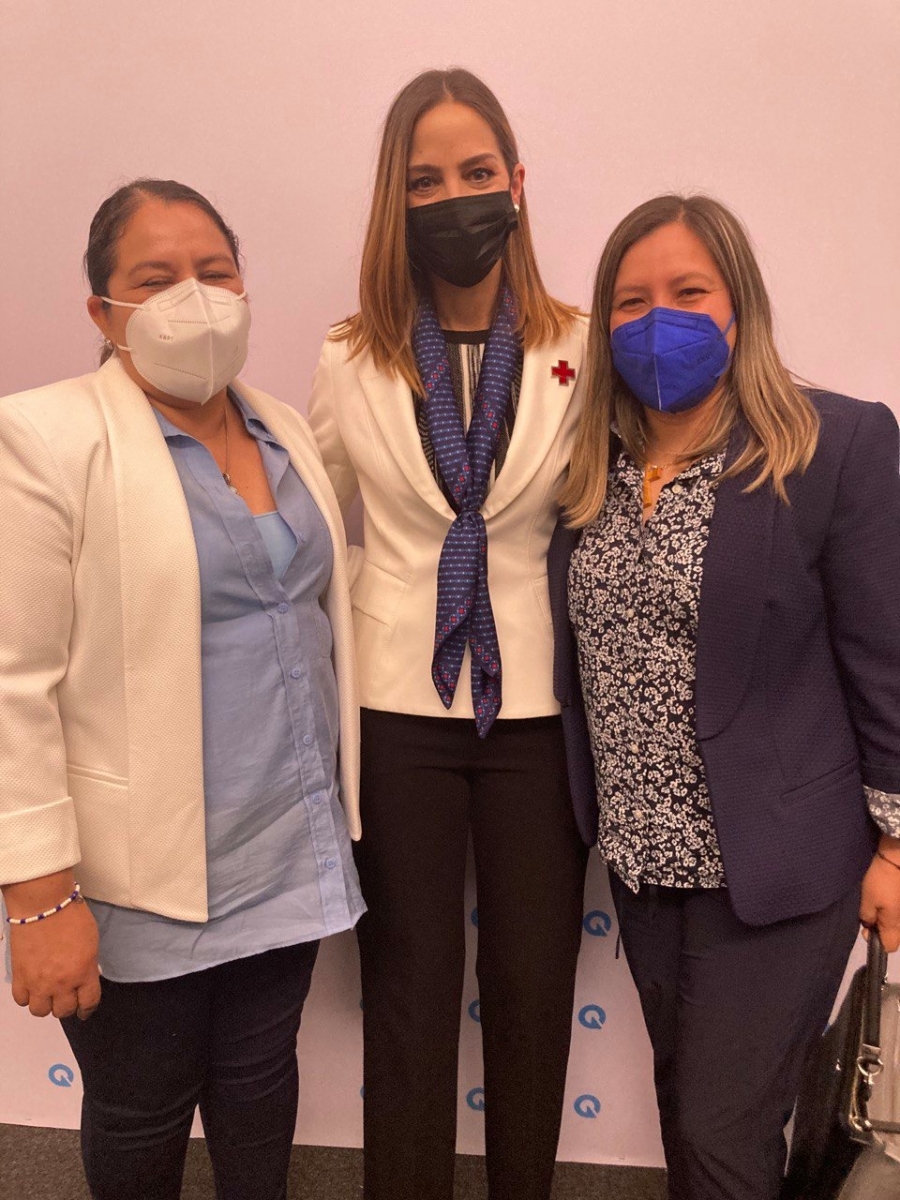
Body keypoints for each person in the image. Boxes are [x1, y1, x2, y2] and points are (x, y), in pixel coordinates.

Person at [0, 179, 365, 1200]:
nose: (193, 298)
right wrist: (37, 897)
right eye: (156, 279)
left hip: (284, 847)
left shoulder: (283, 428)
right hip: (136, 875)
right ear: (103, 312)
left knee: (260, 1083)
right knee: (141, 1108)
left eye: (214, 271)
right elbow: (12, 679)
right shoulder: (44, 439)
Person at [548, 193, 900, 1200]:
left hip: (783, 864)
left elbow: (886, 656)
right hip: (645, 864)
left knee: (717, 1130)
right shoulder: (591, 472)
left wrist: (896, 847)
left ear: (739, 308)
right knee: (699, 1118)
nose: (657, 318)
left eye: (688, 291)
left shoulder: (833, 445)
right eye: (630, 301)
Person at [308, 69, 592, 1200]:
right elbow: (311, 529)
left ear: (516, 183)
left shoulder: (584, 348)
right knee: (410, 987)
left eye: (476, 173)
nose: (454, 198)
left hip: (538, 709)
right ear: (396, 198)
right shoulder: (348, 354)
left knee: (533, 985)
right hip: (397, 705)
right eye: (425, 181)